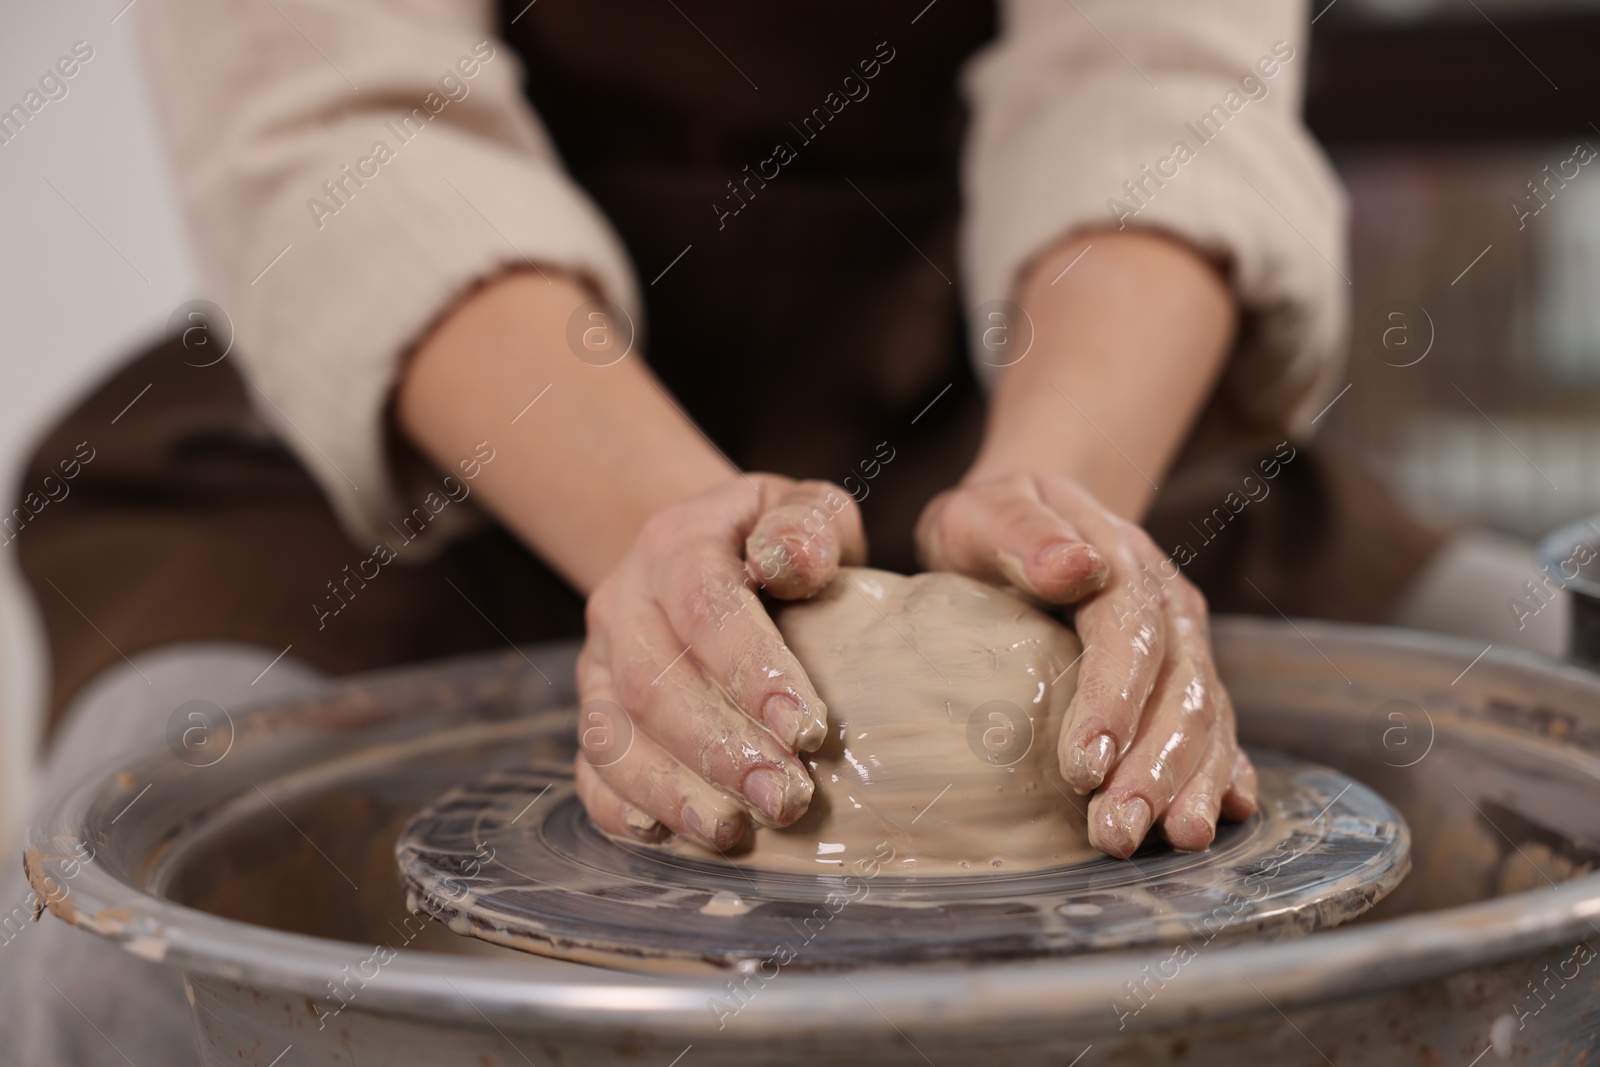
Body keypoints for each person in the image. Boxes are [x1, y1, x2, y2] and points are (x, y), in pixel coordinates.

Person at [7, 2, 1450, 1061]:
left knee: (1492, 706)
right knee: (125, 921)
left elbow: (1156, 77)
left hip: (1003, 361)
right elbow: (340, 127)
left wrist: (1064, 505)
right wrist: (674, 548)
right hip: (465, 402)